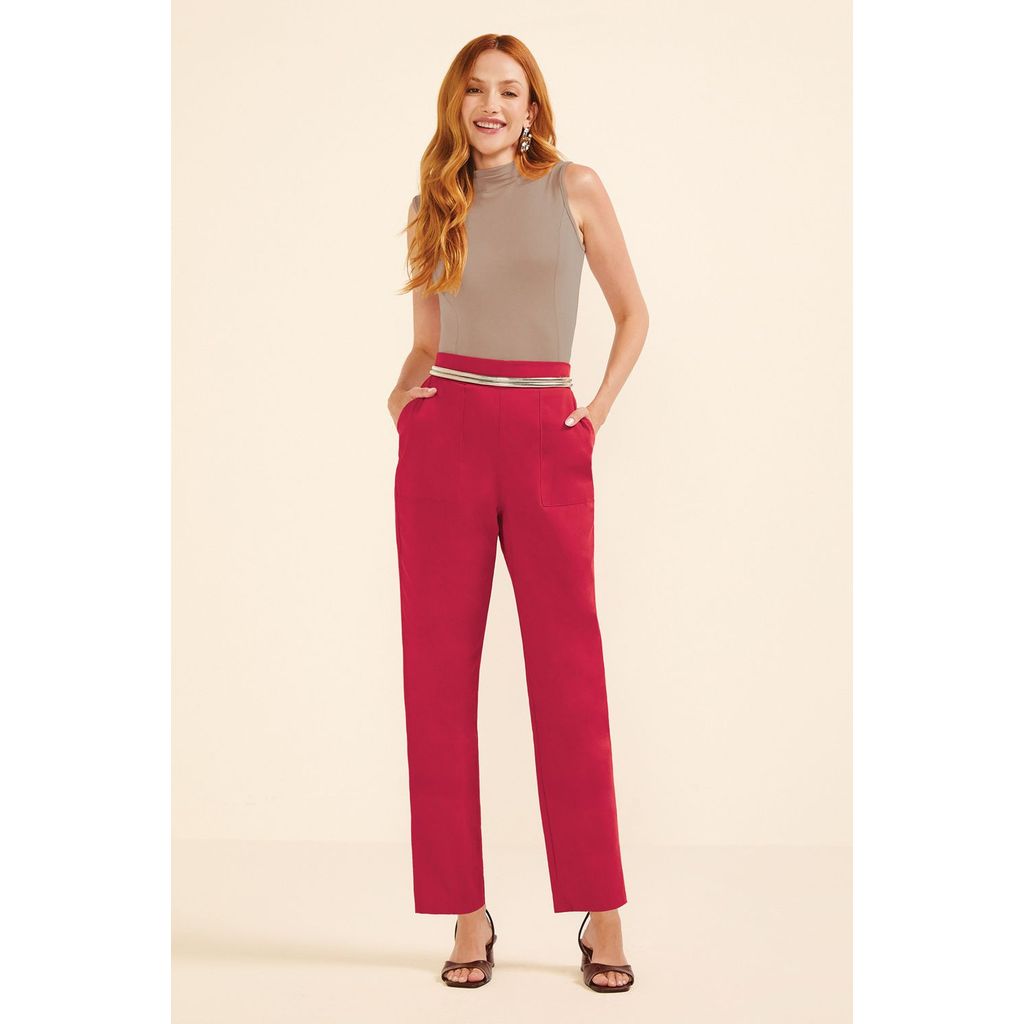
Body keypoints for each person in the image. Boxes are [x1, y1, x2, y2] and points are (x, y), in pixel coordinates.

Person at [388, 34, 649, 992]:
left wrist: (595, 412)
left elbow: (633, 313)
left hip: (546, 436)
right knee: (436, 682)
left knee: (570, 677)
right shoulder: (436, 202)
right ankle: (466, 913)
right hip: (446, 441)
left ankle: (602, 906)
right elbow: (427, 339)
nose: (491, 105)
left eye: (509, 90)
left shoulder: (574, 188)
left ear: (533, 107)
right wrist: (402, 402)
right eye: (475, 90)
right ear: (456, 104)